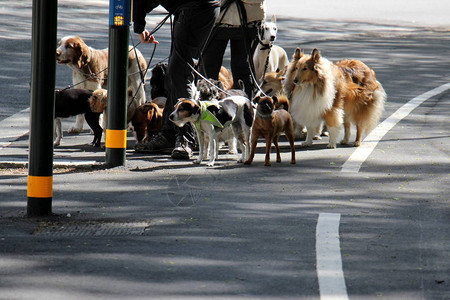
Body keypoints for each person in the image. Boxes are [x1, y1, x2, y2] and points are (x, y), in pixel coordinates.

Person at [133, 0, 220, 159]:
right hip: (193, 8)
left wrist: (139, 26)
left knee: (179, 74)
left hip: (196, 8)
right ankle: (169, 134)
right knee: (174, 73)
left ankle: (186, 139)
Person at [200, 0, 266, 98]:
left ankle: (244, 108)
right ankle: (206, 105)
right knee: (208, 69)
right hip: (216, 18)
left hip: (249, 20)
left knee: (242, 69)